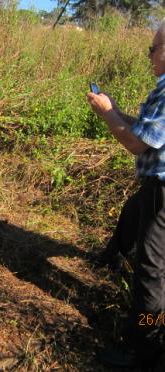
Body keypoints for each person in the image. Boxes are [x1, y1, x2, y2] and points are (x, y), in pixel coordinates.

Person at [87, 21, 165, 369]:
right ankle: (110, 255)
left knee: (151, 270)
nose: (149, 56)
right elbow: (146, 132)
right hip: (155, 188)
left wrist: (106, 114)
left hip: (162, 190)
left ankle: (145, 350)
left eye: (153, 49)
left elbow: (135, 143)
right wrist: (116, 111)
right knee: (132, 213)